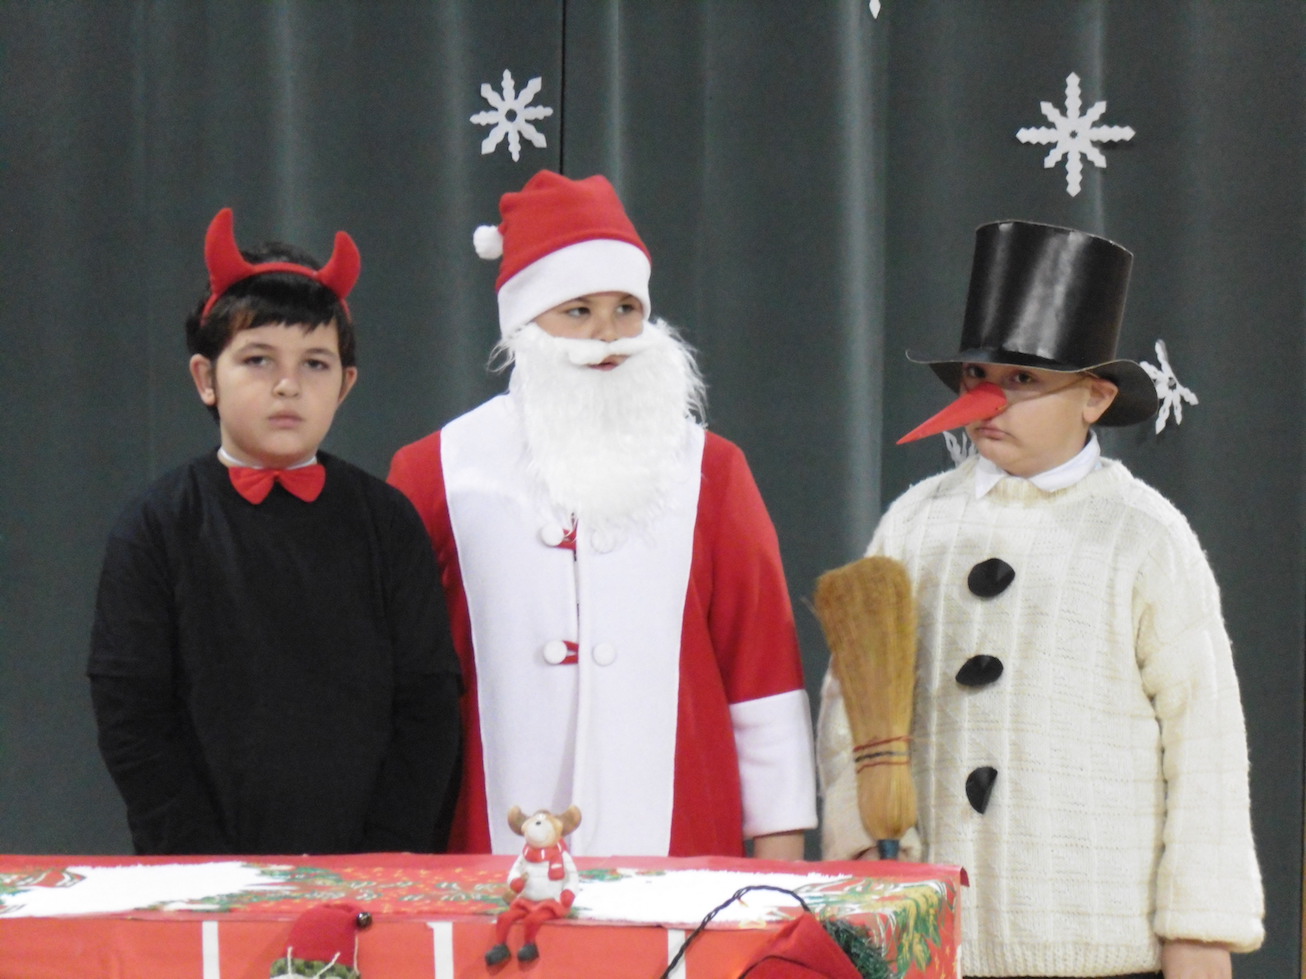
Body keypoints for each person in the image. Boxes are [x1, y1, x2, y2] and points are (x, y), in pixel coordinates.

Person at [817, 221, 1264, 978]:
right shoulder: (913, 524)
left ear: (1094, 396)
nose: (988, 400)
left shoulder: (1145, 536)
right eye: (976, 376)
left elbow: (1205, 741)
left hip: (1100, 947)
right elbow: (850, 708)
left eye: (1022, 380)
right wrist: (866, 858)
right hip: (937, 943)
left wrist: (1199, 934)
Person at [388, 170, 816, 859]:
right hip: (487, 845)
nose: (608, 336)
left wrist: (779, 865)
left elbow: (761, 671)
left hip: (683, 845)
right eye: (578, 311)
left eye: (625, 309)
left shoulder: (712, 470)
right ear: (524, 324)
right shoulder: (437, 470)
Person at [89, 208, 461, 855]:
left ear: (345, 385)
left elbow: (428, 701)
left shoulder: (388, 521)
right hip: (200, 871)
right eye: (258, 359)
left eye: (315, 363)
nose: (288, 385)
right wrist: (203, 863)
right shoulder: (155, 526)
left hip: (373, 868)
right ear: (206, 378)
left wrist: (384, 852)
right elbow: (132, 713)